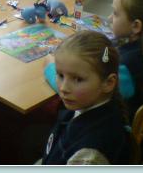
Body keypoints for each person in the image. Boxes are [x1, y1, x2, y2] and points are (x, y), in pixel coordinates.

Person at [42, 31, 131, 165]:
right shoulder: (84, 104)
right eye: (60, 75)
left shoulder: (90, 155)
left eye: (78, 79)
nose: (63, 88)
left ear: (108, 83)